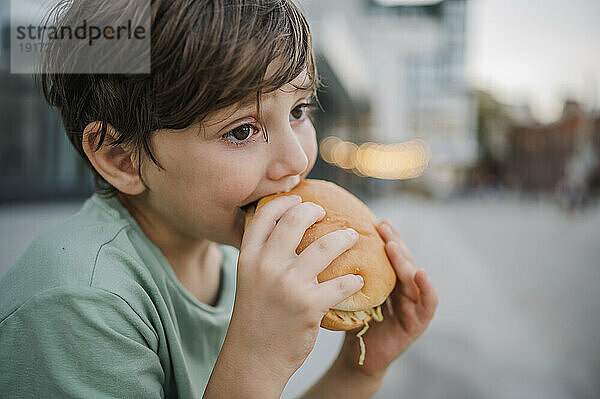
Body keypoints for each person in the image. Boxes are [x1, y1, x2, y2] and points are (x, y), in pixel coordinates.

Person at [0, 0, 438, 397]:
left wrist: (358, 371)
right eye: (242, 130)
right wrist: (257, 357)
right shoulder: (80, 302)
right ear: (122, 159)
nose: (298, 158)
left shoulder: (231, 262)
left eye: (298, 111)